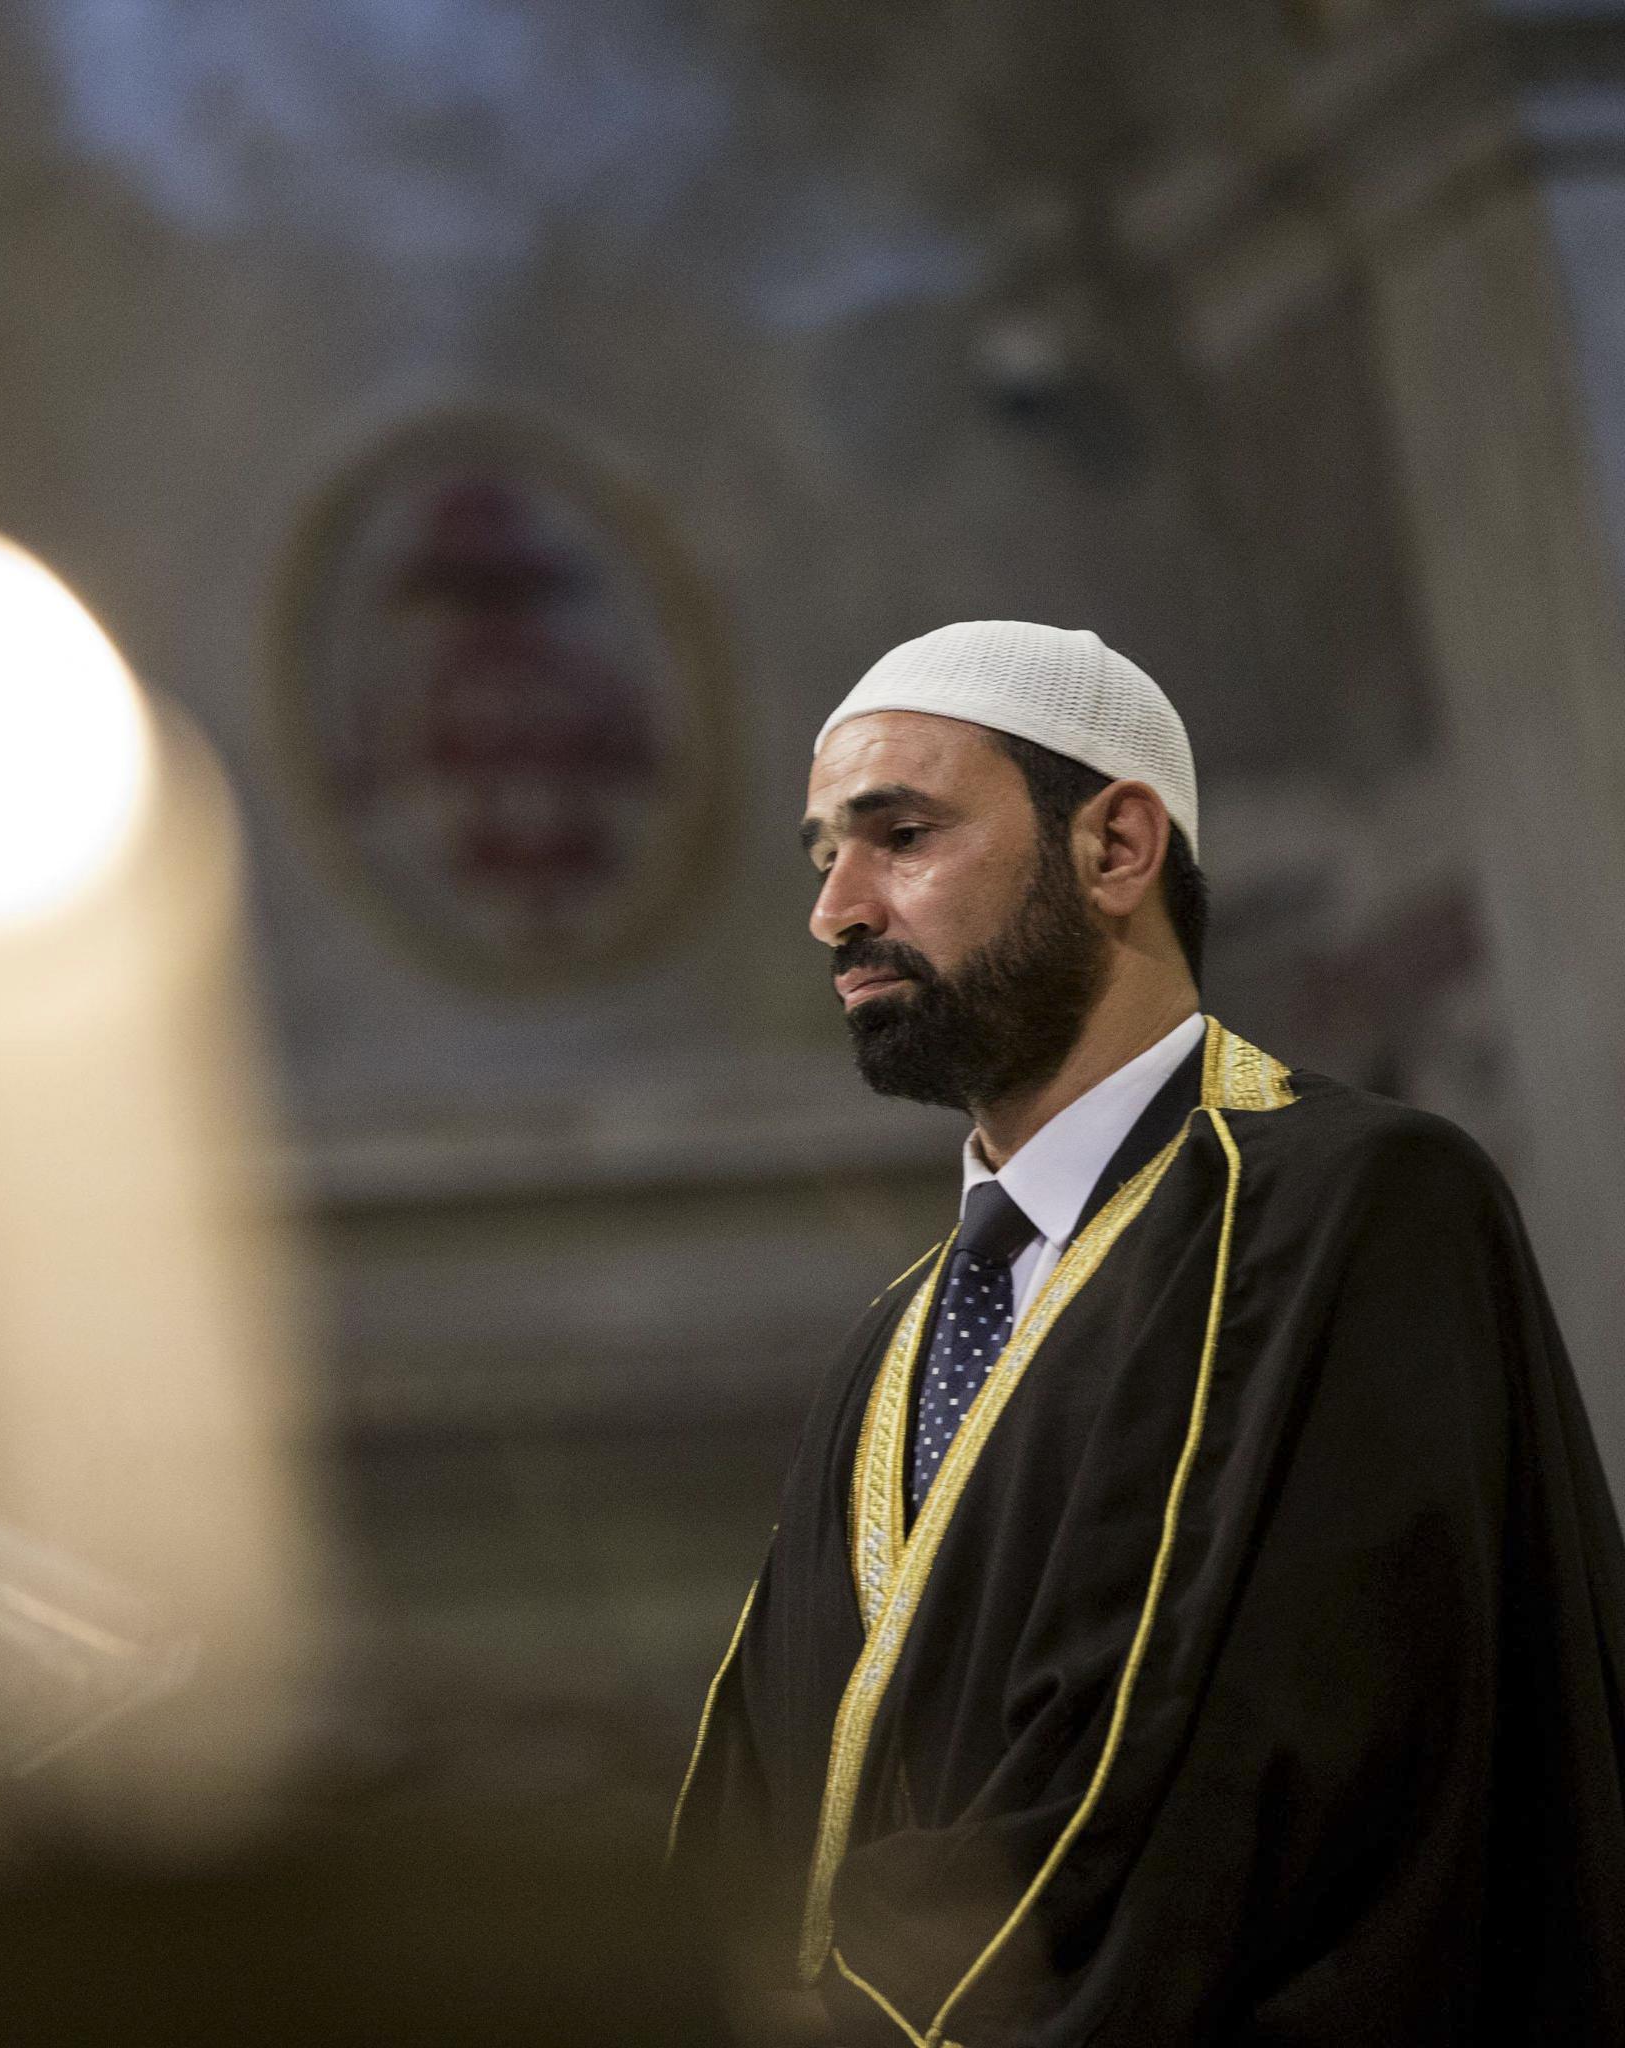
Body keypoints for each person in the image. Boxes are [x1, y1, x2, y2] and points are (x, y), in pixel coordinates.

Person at [667, 621, 1625, 2044]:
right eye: (824, 855)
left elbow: (1216, 1795)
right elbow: (759, 1805)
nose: (837, 908)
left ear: (1117, 847)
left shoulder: (1357, 1208)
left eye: (902, 833)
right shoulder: (897, 1341)